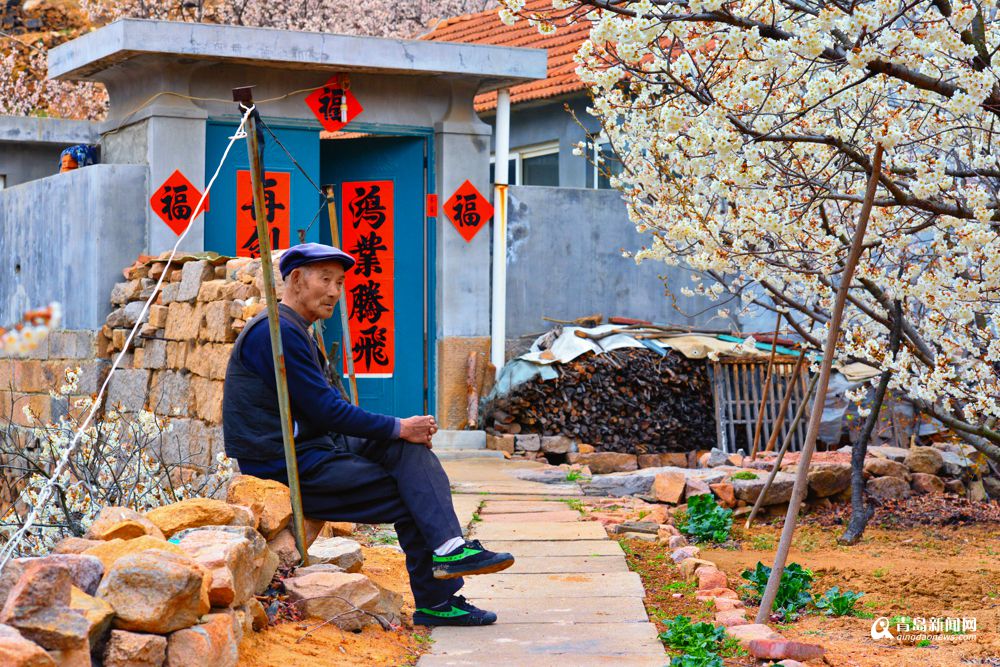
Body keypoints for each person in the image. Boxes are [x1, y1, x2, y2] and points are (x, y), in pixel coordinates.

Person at [222, 243, 514, 626]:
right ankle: (438, 598)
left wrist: (401, 432)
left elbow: (332, 411)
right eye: (325, 279)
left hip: (315, 449)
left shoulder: (298, 331)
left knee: (408, 452)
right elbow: (328, 411)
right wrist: (399, 426)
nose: (334, 291)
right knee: (414, 492)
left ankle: (449, 554)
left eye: (340, 282)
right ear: (295, 279)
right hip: (287, 464)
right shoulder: (276, 332)